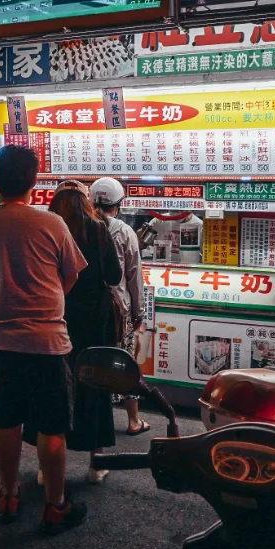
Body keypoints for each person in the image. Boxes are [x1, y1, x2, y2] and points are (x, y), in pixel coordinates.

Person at [0, 145, 89, 534]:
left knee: (6, 420)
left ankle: (7, 495)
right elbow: (72, 274)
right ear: (34, 183)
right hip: (47, 341)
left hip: (0, 340)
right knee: (52, 427)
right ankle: (55, 505)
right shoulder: (52, 225)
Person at [22, 188, 122, 484]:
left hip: (54, 317)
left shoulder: (45, 229)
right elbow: (114, 276)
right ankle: (96, 465)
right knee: (94, 386)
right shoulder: (99, 230)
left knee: (50, 387)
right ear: (87, 205)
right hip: (92, 323)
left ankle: (46, 468)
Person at [90, 178, 150, 436]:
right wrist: (139, 313)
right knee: (124, 363)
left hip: (87, 309)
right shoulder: (124, 231)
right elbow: (135, 276)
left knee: (89, 363)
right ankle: (133, 420)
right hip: (118, 311)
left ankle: (89, 417)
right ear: (118, 204)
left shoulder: (77, 228)